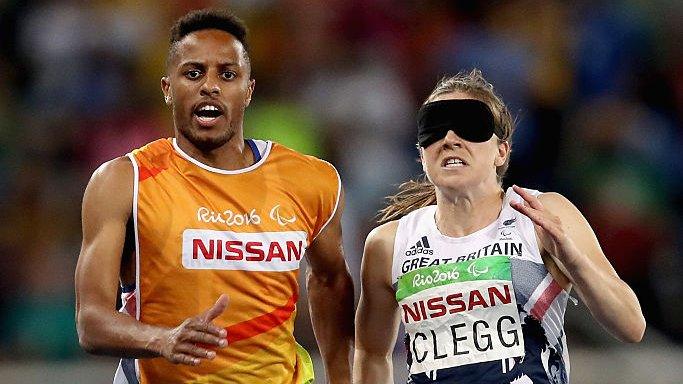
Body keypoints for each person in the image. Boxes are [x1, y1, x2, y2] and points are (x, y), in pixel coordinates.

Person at [75, 9, 354, 384]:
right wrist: (162, 339)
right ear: (167, 88)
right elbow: (91, 322)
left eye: (227, 74)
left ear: (248, 90)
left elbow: (331, 280)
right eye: (193, 73)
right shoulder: (125, 181)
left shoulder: (312, 181)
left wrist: (341, 377)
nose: (210, 86)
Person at [353, 69, 645, 384]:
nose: (450, 139)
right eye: (434, 127)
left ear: (501, 151)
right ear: (422, 154)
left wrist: (574, 261)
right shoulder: (389, 244)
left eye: (470, 125)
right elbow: (371, 355)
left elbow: (631, 326)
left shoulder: (540, 215)